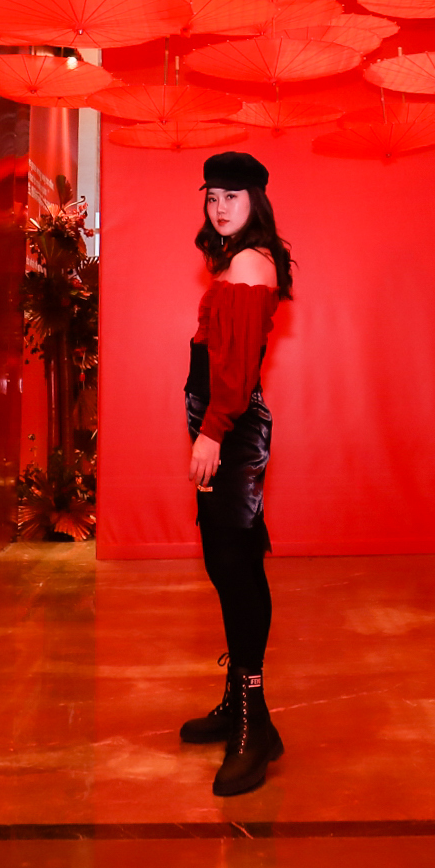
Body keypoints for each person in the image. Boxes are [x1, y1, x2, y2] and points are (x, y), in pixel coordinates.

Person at [179, 150, 289, 795]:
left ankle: (254, 722)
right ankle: (240, 704)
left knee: (233, 564)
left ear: (256, 202)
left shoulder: (250, 262)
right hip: (221, 422)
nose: (220, 208)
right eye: (212, 196)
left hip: (231, 427)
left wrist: (213, 432)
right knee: (233, 561)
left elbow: (240, 368)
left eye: (233, 197)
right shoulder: (237, 259)